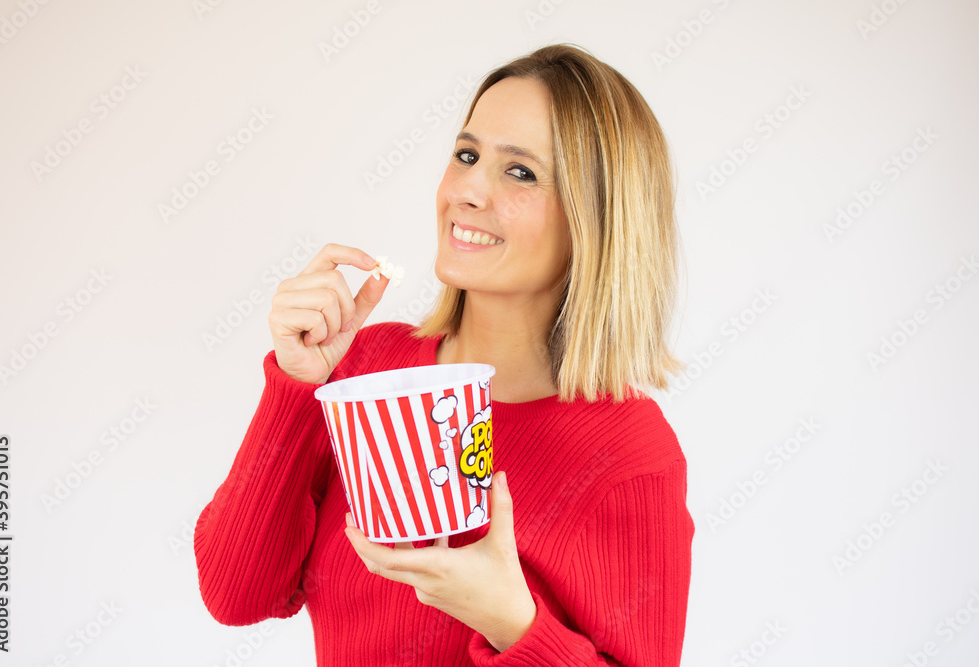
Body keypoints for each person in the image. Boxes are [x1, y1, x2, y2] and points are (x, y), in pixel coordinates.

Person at [194, 43, 694, 666]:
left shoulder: (629, 456)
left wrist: (510, 622)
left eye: (520, 172)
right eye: (466, 155)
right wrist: (296, 389)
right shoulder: (367, 371)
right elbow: (236, 594)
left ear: (595, 220)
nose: (467, 191)